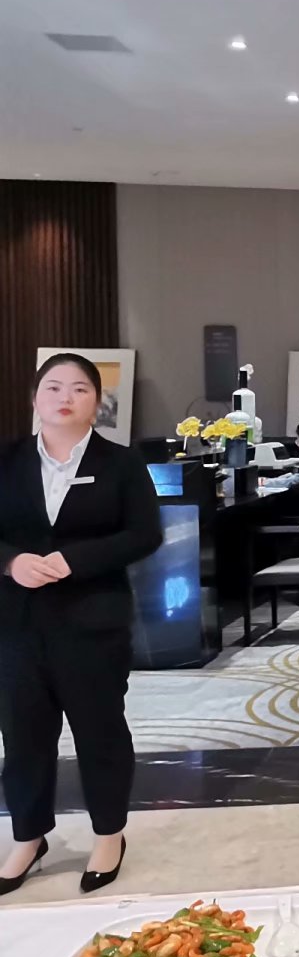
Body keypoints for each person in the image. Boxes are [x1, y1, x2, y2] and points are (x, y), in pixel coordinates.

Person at [0, 354, 162, 895]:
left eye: (79, 389)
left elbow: (144, 534)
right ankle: (28, 837)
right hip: (16, 624)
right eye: (53, 387)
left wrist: (76, 560)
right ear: (35, 398)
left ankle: (109, 834)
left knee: (100, 731)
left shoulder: (121, 463)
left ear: (97, 401)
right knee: (22, 735)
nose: (64, 397)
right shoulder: (7, 459)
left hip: (93, 620)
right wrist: (11, 562)